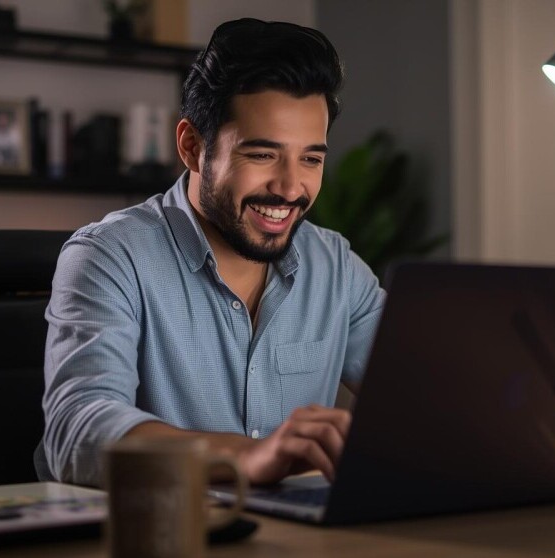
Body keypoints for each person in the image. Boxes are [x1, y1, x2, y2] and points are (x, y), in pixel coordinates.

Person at [35, 18, 385, 487]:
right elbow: (77, 433)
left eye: (311, 159)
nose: (290, 187)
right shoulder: (108, 257)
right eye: (262, 155)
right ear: (192, 146)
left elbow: (424, 394)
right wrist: (247, 457)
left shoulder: (337, 268)